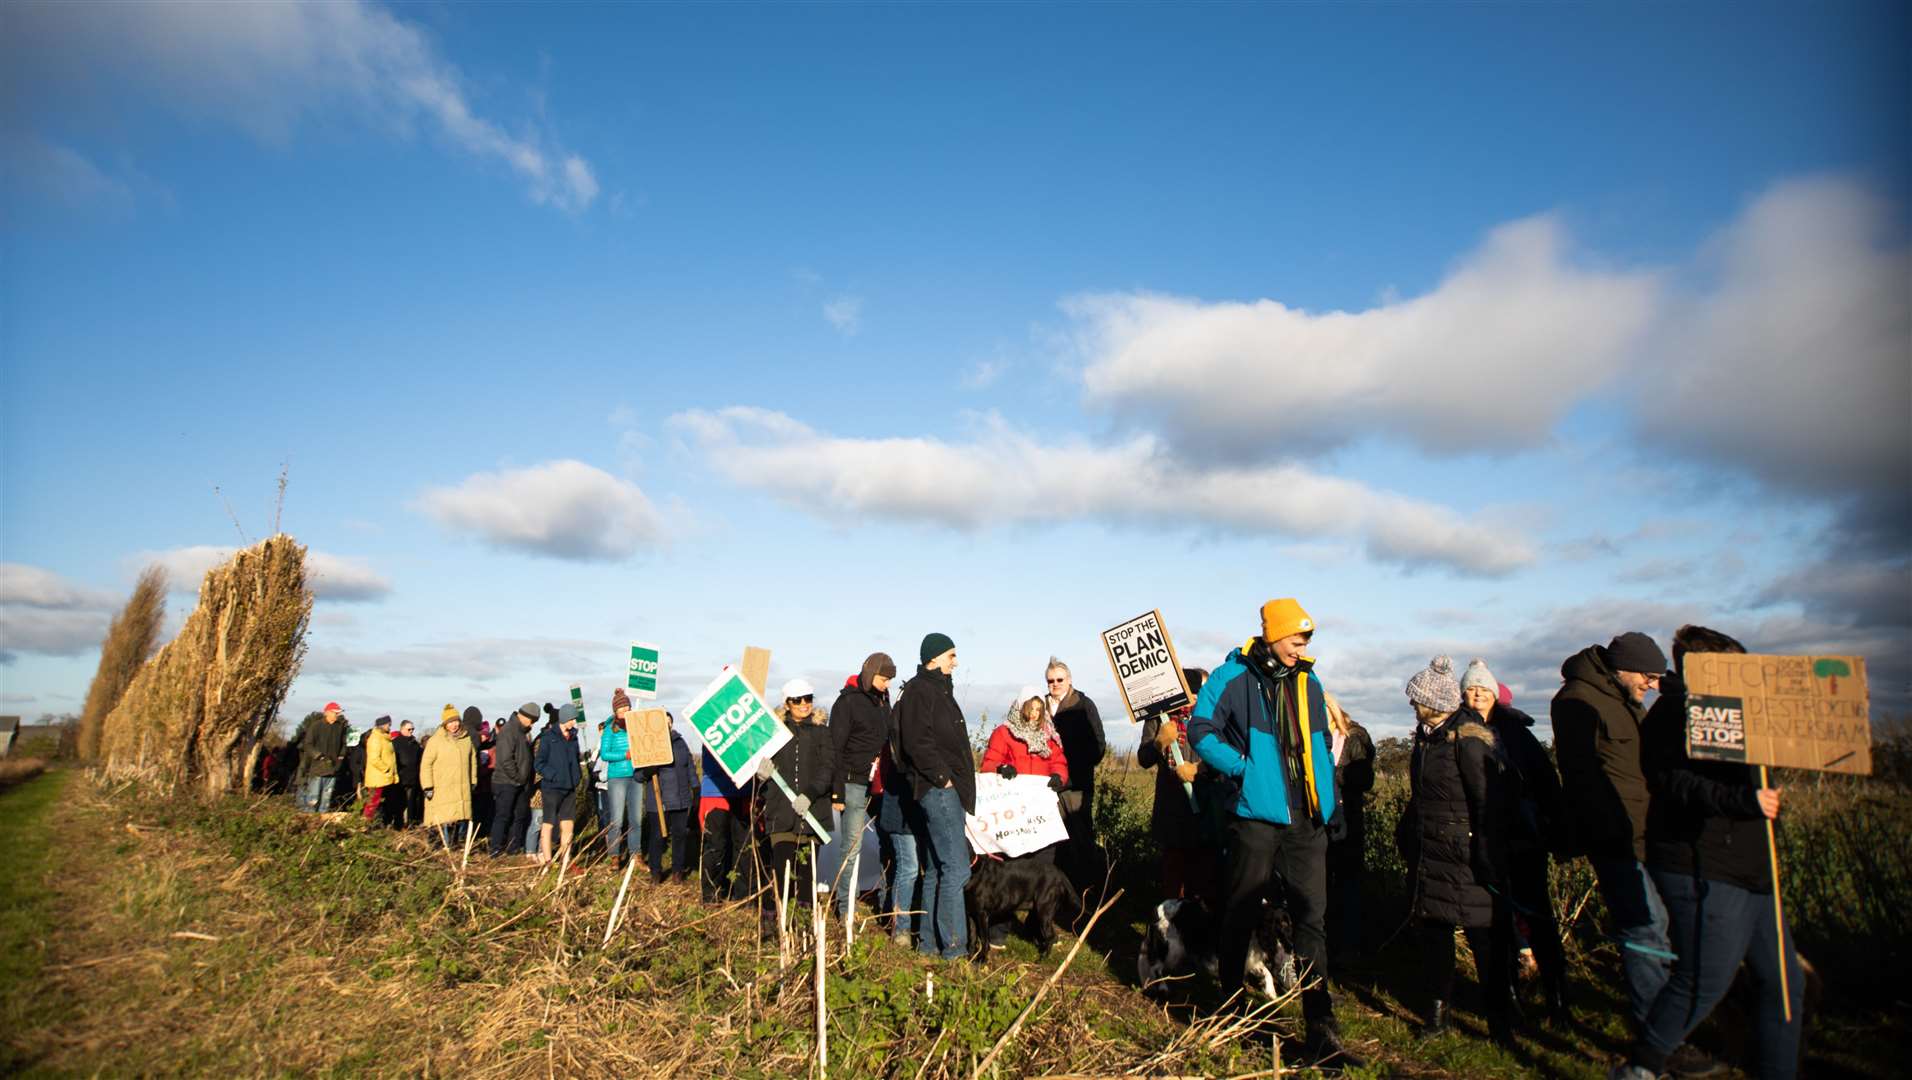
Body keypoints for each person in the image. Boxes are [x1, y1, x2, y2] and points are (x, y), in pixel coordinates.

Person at [1612, 626, 1805, 1080]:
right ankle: (1641, 1067)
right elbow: (1671, 782)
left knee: (1783, 984)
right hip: (1703, 866)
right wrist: (1742, 802)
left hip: (1757, 871)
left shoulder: (1745, 715)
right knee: (1704, 980)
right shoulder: (1672, 714)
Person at [1187, 599, 1361, 1069]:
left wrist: (1332, 802)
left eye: (1306, 640)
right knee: (1239, 913)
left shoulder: (1310, 681)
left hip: (1307, 823)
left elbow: (1321, 745)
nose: (1302, 648)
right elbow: (1200, 730)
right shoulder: (1233, 676)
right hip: (1255, 818)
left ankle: (1321, 1028)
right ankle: (1227, 1008)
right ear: (1274, 635)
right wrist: (1242, 770)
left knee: (1311, 920)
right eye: (1296, 639)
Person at [1552, 633, 1695, 1044]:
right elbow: (1581, 777)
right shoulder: (1576, 701)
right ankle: (1656, 1034)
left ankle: (1667, 1022)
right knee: (1644, 930)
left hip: (1650, 831)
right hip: (1615, 837)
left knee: (1661, 924)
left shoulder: (1626, 700)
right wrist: (1603, 833)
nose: (1651, 685)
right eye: (1647, 677)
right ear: (1624, 668)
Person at [1400, 656, 1514, 1045]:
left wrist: (1483, 850)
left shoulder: (1467, 738)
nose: (1412, 705)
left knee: (1484, 937)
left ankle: (1501, 1021)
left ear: (1433, 702)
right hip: (1432, 852)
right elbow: (1423, 796)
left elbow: (1487, 800)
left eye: (1416, 700)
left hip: (1465, 855)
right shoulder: (1427, 736)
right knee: (1436, 936)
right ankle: (1437, 1017)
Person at [1463, 660, 1570, 1026]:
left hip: (1524, 839)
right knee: (1497, 922)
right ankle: (1508, 997)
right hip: (1486, 843)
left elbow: (1546, 783)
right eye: (1470, 689)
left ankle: (1558, 998)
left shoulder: (1517, 735)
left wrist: (1556, 830)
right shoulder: (1459, 732)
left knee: (1538, 916)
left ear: (1495, 693)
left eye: (1483, 689)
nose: (1477, 695)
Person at [893, 633, 975, 960]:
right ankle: (954, 951)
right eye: (951, 655)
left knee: (939, 868)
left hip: (939, 789)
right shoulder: (920, 691)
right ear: (934, 657)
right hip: (937, 790)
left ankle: (927, 945)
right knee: (957, 868)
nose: (955, 662)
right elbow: (917, 742)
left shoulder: (936, 689)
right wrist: (943, 779)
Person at [978, 687, 1070, 945]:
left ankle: (1038, 928)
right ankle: (998, 932)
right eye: (1030, 710)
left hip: (1040, 815)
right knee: (1010, 872)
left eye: (1039, 711)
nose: (1034, 715)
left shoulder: (1048, 735)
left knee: (1042, 869)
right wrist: (1001, 768)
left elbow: (1059, 762)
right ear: (1021, 708)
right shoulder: (1004, 733)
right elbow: (988, 763)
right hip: (1014, 816)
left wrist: (1058, 777)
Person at [758, 679, 837, 931]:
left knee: (806, 874)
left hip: (812, 814)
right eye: (797, 700)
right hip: (780, 813)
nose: (804, 704)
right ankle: (773, 925)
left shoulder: (822, 731)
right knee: (780, 870)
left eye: (808, 698)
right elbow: (760, 764)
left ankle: (803, 927)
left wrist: (811, 794)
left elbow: (828, 768)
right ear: (787, 704)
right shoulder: (774, 731)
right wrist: (761, 772)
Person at [1138, 668, 1222, 904]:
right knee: (1172, 878)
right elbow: (1144, 759)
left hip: (1204, 806)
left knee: (1203, 877)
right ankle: (1169, 931)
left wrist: (1200, 770)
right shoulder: (1159, 718)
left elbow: (1224, 756)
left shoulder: (1212, 717)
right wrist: (1159, 742)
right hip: (1171, 808)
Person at [829, 653, 897, 920]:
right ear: (870, 674)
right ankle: (845, 907)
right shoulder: (847, 702)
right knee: (852, 846)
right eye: (883, 679)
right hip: (852, 781)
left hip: (881, 783)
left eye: (890, 680)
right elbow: (835, 747)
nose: (887, 684)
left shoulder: (884, 701)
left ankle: (885, 903)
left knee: (888, 840)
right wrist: (837, 790)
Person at [1045, 657, 1106, 891]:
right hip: (1049, 785)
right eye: (1050, 680)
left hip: (1076, 785)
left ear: (1069, 680)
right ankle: (1057, 891)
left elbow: (1098, 744)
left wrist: (1075, 772)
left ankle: (1086, 891)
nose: (1055, 684)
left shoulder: (1084, 704)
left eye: (1059, 679)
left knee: (1080, 837)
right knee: (1054, 840)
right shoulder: (1040, 706)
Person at [1323, 691, 1374, 967]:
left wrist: (1330, 777)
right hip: (1322, 822)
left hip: (1349, 821)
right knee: (1324, 884)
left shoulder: (1355, 737)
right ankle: (1330, 943)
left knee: (1348, 884)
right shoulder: (1315, 739)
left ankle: (1350, 946)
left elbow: (1364, 778)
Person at [637, 713, 695, 883]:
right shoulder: (649, 743)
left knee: (679, 835)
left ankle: (678, 871)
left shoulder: (680, 742)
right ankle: (655, 871)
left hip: (680, 799)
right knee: (657, 837)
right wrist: (648, 770)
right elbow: (638, 776)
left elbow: (689, 766)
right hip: (659, 801)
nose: (667, 725)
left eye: (669, 722)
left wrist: (696, 788)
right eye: (663, 722)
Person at [698, 744, 755, 902]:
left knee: (744, 847)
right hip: (715, 793)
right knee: (716, 846)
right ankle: (711, 895)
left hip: (744, 791)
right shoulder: (708, 723)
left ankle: (743, 895)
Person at [420, 707, 477, 849]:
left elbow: (473, 761)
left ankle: (453, 846)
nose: (454, 725)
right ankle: (435, 848)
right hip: (442, 788)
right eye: (450, 722)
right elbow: (426, 764)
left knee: (457, 819)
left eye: (456, 721)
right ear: (445, 724)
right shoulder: (436, 741)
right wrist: (427, 786)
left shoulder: (466, 740)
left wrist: (473, 780)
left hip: (461, 787)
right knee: (439, 819)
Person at [535, 703, 584, 866]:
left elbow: (576, 760)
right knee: (548, 823)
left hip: (569, 787)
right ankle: (548, 860)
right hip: (551, 788)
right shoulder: (548, 737)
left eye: (574, 719)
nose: (573, 723)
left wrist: (577, 777)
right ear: (563, 718)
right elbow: (539, 763)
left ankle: (566, 859)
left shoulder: (574, 738)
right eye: (571, 719)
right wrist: (552, 775)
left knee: (568, 824)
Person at [600, 690, 642, 870]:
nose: (625, 709)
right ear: (615, 710)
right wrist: (625, 755)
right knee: (617, 819)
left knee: (636, 819)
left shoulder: (637, 726)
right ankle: (614, 856)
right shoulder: (610, 729)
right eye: (622, 707)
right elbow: (604, 753)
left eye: (627, 706)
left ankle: (636, 855)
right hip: (617, 776)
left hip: (636, 776)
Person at [489, 703, 537, 857]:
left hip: (520, 783)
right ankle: (495, 848)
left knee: (519, 815)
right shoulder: (509, 731)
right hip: (505, 781)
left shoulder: (523, 733)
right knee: (503, 815)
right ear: (524, 716)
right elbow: (505, 759)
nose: (533, 724)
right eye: (532, 720)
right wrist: (518, 777)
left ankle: (513, 847)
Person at [297, 702, 348, 813]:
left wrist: (341, 756)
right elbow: (308, 744)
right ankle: (310, 823)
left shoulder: (340, 727)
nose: (337, 715)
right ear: (327, 713)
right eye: (335, 713)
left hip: (333, 769)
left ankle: (322, 824)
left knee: (326, 800)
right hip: (317, 769)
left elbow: (344, 744)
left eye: (338, 713)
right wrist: (318, 756)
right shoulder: (316, 726)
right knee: (313, 799)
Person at [361, 715, 401, 828]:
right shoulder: (375, 738)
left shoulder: (384, 737)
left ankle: (376, 825)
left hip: (383, 777)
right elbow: (374, 758)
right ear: (382, 725)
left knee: (379, 803)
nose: (390, 726)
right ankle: (364, 825)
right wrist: (386, 768)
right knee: (373, 802)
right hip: (377, 777)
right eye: (389, 724)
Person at [392, 719, 424, 827]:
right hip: (400, 778)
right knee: (399, 804)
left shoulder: (415, 744)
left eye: (413, 729)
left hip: (413, 778)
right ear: (402, 729)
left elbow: (420, 759)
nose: (411, 731)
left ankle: (411, 825)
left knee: (412, 804)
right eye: (409, 729)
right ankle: (398, 825)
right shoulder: (395, 743)